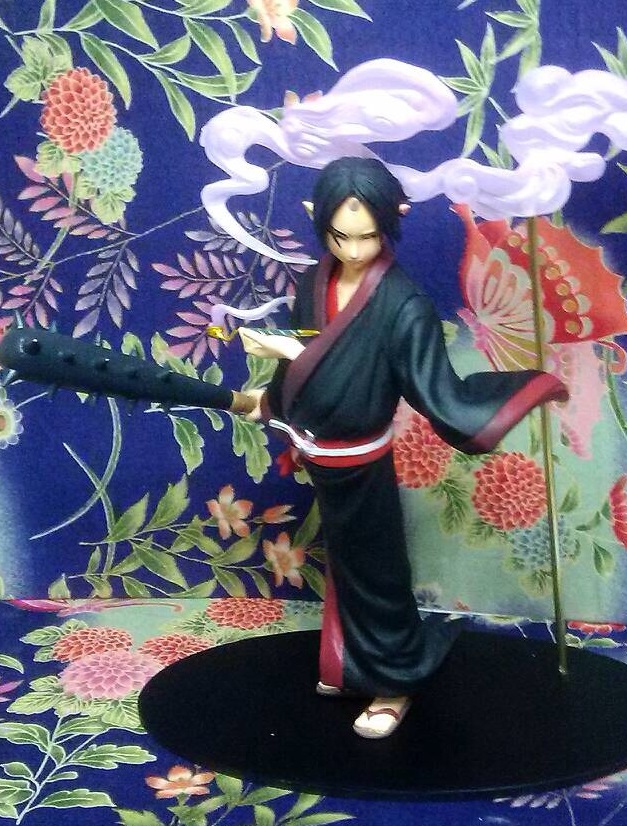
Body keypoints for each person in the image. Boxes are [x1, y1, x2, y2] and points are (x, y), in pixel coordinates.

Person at [234, 157, 567, 738]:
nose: (353, 250)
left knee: (378, 571)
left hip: (364, 461)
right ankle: (351, 665)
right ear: (316, 219)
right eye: (339, 236)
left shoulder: (402, 304)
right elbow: (313, 357)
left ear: (395, 219)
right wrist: (274, 396)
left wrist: (526, 391)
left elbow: (437, 392)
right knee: (343, 565)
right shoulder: (314, 283)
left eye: (368, 237)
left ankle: (395, 679)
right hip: (322, 456)